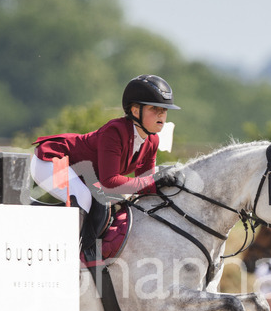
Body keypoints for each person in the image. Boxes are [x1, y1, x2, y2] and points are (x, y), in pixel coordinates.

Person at [31, 74, 185, 261]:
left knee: (113, 202)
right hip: (53, 160)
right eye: (155, 109)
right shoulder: (115, 131)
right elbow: (110, 182)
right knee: (84, 197)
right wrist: (154, 179)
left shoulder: (152, 140)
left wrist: (166, 184)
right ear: (136, 111)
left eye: (164, 110)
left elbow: (145, 184)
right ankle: (71, 257)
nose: (162, 115)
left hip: (83, 173)